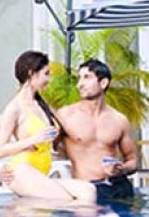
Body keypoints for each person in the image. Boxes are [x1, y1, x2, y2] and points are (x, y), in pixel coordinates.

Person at [0, 51, 96, 202]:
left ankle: (26, 208)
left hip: (41, 173)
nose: (49, 79)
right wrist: (32, 140)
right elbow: (0, 150)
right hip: (21, 172)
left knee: (88, 190)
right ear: (31, 73)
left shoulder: (41, 105)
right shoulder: (15, 108)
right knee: (64, 200)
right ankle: (22, 210)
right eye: (46, 74)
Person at [56, 58, 137, 202]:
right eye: (79, 78)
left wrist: (121, 169)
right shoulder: (65, 115)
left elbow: (132, 161)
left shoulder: (119, 120)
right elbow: (46, 149)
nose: (80, 84)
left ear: (103, 83)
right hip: (88, 189)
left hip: (119, 186)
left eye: (87, 77)